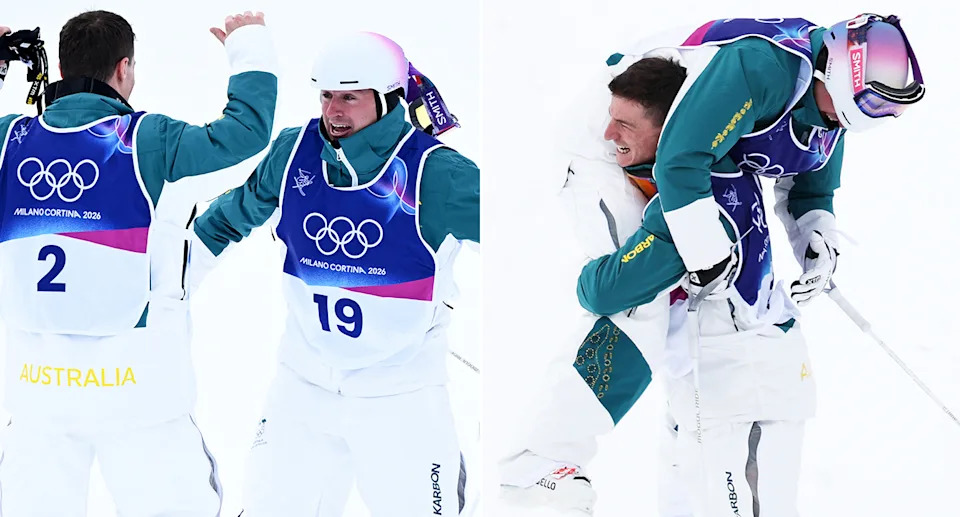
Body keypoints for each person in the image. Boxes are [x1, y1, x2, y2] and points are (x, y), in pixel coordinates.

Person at [501, 14, 924, 517]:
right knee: (646, 292)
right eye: (873, 103)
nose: (877, 117)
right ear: (835, 70)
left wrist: (817, 238)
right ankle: (539, 462)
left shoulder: (831, 111)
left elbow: (810, 182)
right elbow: (680, 163)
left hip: (685, 147)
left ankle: (689, 464)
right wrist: (699, 254)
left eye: (889, 110)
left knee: (714, 277)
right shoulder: (763, 70)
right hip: (617, 138)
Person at [0, 10, 277, 517]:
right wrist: (249, 46)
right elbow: (246, 132)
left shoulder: (8, 140)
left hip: (36, 395)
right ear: (124, 68)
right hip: (139, 395)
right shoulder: (148, 139)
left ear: (61, 70)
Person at [190, 31, 479, 517]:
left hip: (399, 396)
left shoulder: (437, 173)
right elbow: (229, 218)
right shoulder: (296, 150)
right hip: (302, 385)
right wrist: (164, 275)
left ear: (388, 99)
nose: (334, 110)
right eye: (326, 95)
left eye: (350, 96)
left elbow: (517, 228)